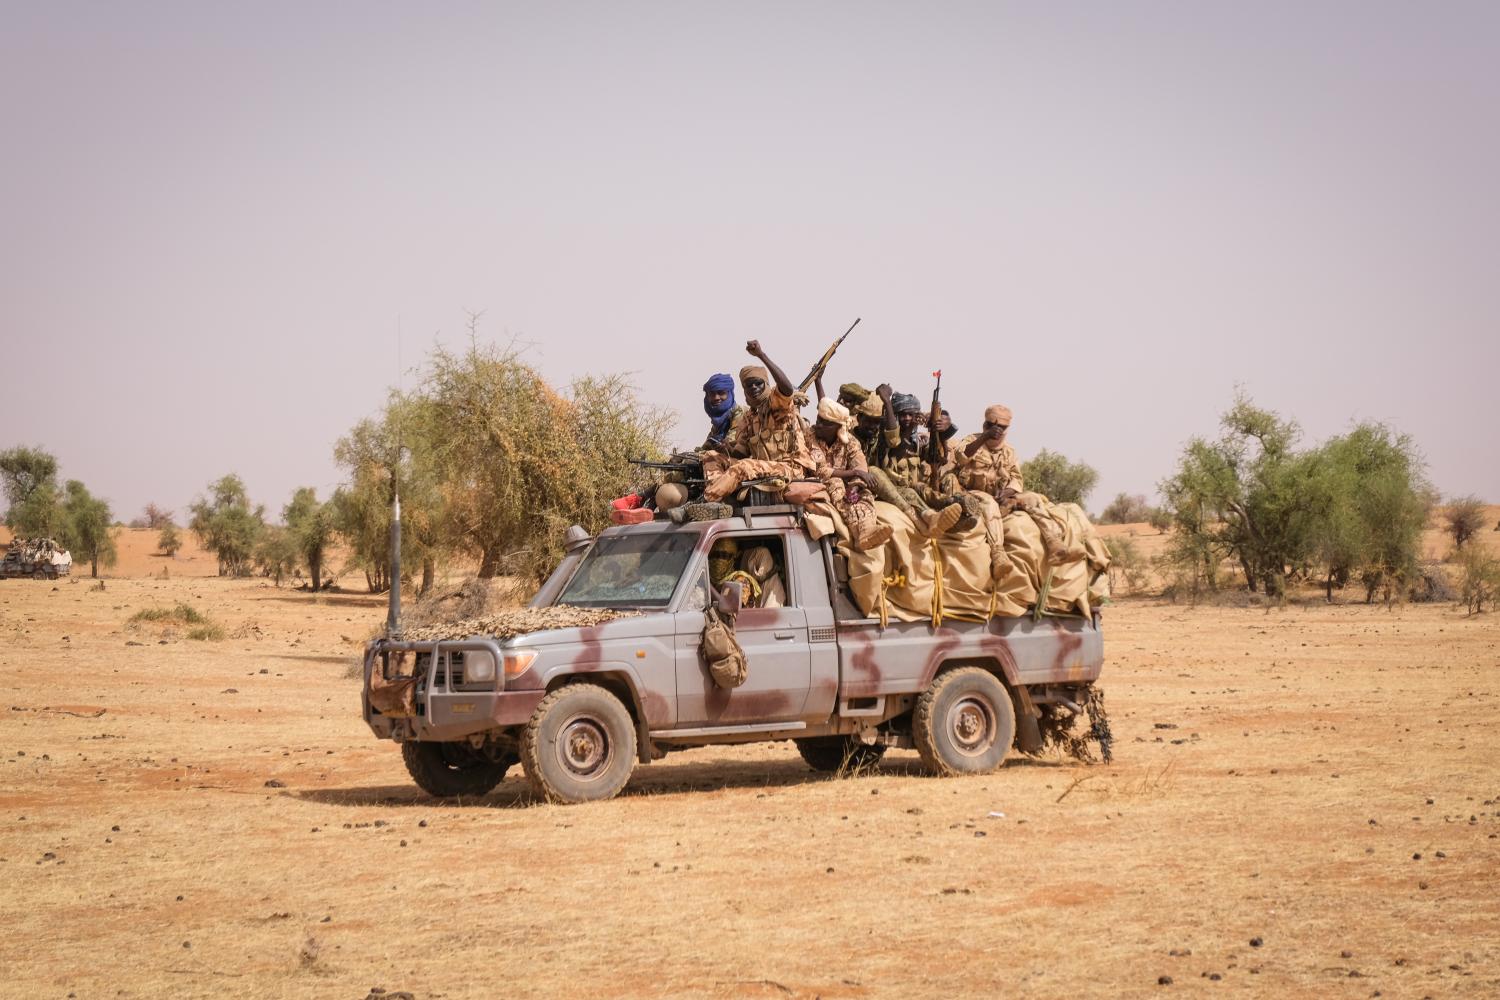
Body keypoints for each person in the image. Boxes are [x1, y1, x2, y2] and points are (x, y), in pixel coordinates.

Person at [702, 341, 814, 502]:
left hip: (789, 468)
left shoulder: (777, 406)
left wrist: (761, 355)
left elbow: (787, 389)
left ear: (767, 384)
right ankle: (721, 500)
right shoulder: (749, 417)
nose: (753, 387)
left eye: (758, 383)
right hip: (762, 467)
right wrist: (726, 448)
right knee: (711, 456)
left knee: (744, 466)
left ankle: (707, 501)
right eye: (749, 385)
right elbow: (740, 453)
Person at [865, 385, 964, 536]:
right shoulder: (883, 438)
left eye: (911, 415)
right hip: (893, 490)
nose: (907, 419)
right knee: (905, 488)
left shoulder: (917, 441)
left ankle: (957, 507)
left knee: (923, 489)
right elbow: (895, 445)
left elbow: (940, 458)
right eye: (903, 415)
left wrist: (941, 431)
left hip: (914, 488)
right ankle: (928, 518)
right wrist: (887, 402)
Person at [809, 397, 894, 551]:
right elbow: (821, 471)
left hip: (844, 484)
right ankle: (858, 531)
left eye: (825, 423)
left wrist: (855, 488)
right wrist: (854, 473)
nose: (819, 425)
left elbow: (860, 466)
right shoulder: (810, 437)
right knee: (836, 484)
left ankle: (867, 529)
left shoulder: (850, 441)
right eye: (819, 420)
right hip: (817, 484)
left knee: (865, 492)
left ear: (838, 427)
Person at [952, 404, 1024, 505]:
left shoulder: (1009, 451)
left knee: (1034, 500)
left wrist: (1005, 493)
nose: (997, 430)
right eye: (992, 426)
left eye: (1001, 427)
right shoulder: (972, 440)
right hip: (971, 494)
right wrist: (985, 436)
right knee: (990, 504)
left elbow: (1017, 479)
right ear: (985, 425)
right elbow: (961, 457)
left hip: (998, 497)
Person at [700, 373, 743, 451]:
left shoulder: (740, 413)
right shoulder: (718, 422)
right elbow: (706, 447)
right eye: (712, 394)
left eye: (721, 393)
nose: (716, 398)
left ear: (729, 394)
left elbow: (728, 444)